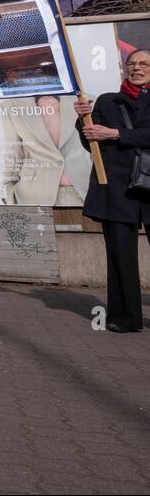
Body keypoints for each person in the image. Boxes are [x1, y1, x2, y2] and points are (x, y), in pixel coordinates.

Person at [74, 47, 150, 333]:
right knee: (120, 256)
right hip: (118, 189)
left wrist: (118, 134)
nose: (137, 68)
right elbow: (90, 144)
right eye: (132, 63)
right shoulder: (107, 101)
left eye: (144, 64)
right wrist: (84, 121)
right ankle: (125, 318)